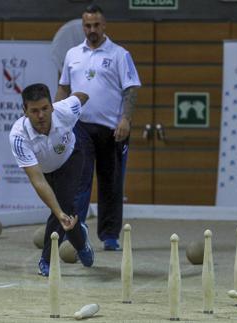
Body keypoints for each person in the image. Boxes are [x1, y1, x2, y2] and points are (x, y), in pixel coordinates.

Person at [55, 4, 141, 251]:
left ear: (104, 26)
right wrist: (56, 116)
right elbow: (63, 87)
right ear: (83, 26)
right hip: (79, 127)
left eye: (96, 25)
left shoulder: (119, 54)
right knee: (79, 182)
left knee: (110, 183)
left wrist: (126, 119)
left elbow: (131, 89)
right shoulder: (72, 54)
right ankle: (74, 232)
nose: (91, 30)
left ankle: (110, 235)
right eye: (87, 25)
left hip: (112, 130)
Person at [9, 83, 92, 276]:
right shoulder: (18, 137)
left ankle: (46, 260)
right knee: (64, 210)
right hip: (45, 171)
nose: (41, 115)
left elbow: (82, 96)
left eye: (45, 108)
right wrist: (59, 213)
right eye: (34, 110)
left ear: (52, 106)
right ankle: (82, 245)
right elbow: (38, 181)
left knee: (62, 205)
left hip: (72, 158)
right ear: (25, 111)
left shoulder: (65, 110)